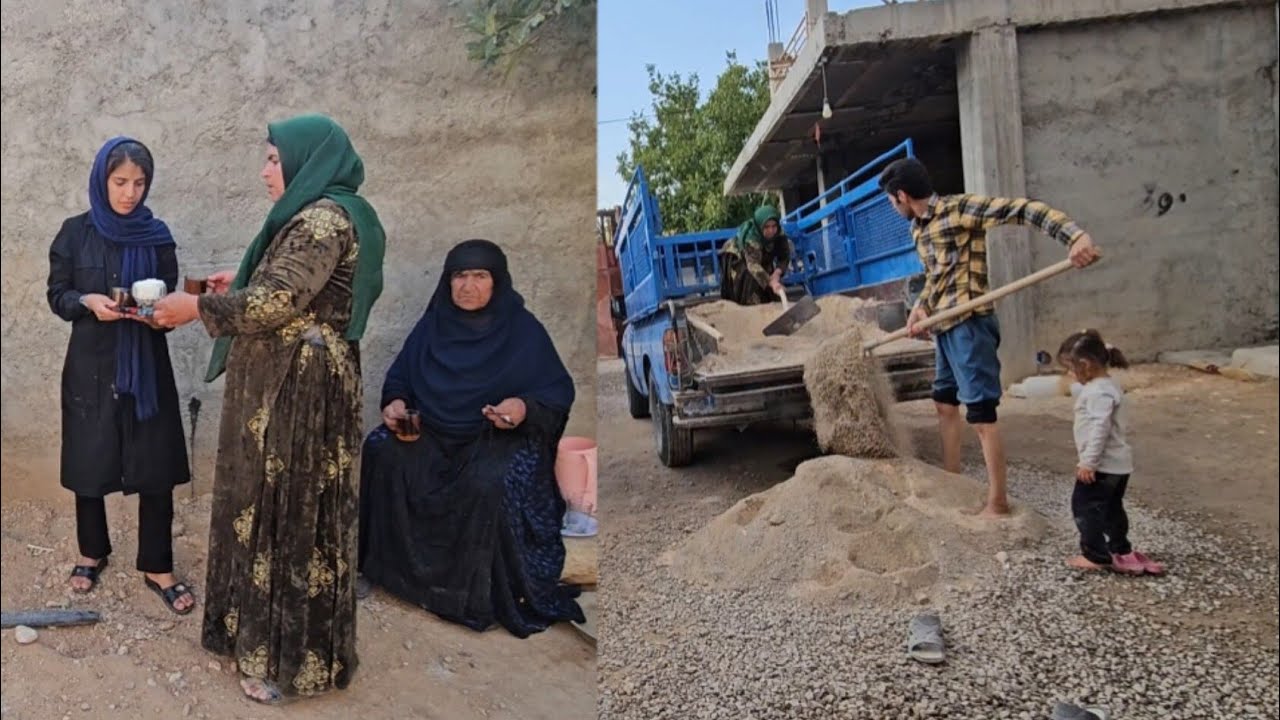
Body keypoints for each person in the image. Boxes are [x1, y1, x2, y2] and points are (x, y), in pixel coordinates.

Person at [151, 114, 385, 705]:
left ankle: (281, 658)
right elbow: (296, 286)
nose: (264, 172)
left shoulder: (324, 219)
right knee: (266, 508)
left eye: (274, 160)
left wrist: (197, 309)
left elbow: (278, 300)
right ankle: (260, 642)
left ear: (308, 160)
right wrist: (242, 277)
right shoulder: (325, 213)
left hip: (295, 395)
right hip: (286, 385)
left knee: (282, 512)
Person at [356, 239, 585, 638]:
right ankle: (388, 573)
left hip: (494, 438)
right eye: (459, 276)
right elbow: (400, 380)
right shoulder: (432, 327)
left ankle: (471, 594)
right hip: (432, 433)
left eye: (480, 276)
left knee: (490, 484)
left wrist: (521, 408)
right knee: (381, 449)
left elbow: (557, 392)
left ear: (497, 282)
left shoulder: (523, 331)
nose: (468, 286)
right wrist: (394, 404)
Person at [878, 157, 1101, 517]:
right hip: (944, 327)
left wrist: (1075, 237)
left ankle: (997, 503)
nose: (893, 207)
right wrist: (921, 308)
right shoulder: (917, 229)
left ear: (902, 195)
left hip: (970, 325)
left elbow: (1022, 209)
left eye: (891, 201)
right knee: (944, 404)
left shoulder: (960, 209)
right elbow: (936, 275)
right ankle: (952, 478)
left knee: (981, 415)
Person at [46, 137, 196, 615]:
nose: (130, 192)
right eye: (120, 182)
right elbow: (58, 294)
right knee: (89, 460)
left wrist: (159, 315)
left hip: (145, 364)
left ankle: (158, 565)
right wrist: (87, 302)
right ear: (101, 180)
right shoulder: (75, 233)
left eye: (139, 182)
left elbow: (168, 294)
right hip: (91, 363)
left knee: (156, 463)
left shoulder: (157, 235)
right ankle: (92, 552)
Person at [1058, 330, 1164, 575]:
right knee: (1112, 509)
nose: (1069, 375)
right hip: (1118, 466)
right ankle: (1121, 549)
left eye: (1070, 368)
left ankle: (1095, 555)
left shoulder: (1098, 393)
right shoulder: (1107, 385)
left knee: (1084, 507)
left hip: (1101, 466)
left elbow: (1100, 429)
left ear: (1085, 365)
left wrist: (1088, 462)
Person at [719, 204, 793, 305]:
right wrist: (771, 282)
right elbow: (753, 265)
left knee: (768, 279)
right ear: (760, 226)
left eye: (774, 226)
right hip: (739, 257)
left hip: (759, 256)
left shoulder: (779, 234)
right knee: (749, 279)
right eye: (766, 227)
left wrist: (776, 274)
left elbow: (784, 256)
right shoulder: (752, 238)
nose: (771, 230)